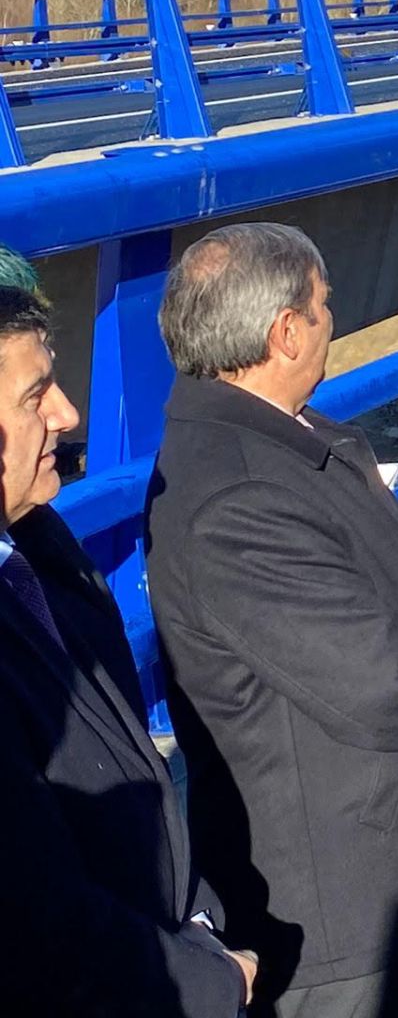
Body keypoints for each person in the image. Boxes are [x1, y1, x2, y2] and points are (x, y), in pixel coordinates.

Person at [145, 223, 398, 1018]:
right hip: (342, 921)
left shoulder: (305, 438)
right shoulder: (234, 498)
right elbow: (376, 678)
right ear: (286, 332)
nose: (333, 320)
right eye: (325, 307)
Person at [0, 284, 259, 1017]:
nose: (67, 415)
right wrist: (208, 981)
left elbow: (131, 759)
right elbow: (32, 921)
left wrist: (199, 923)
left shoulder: (44, 550)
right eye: (35, 394)